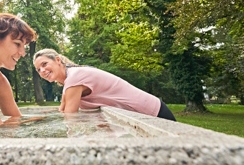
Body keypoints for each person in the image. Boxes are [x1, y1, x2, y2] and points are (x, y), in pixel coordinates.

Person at [33, 48, 176, 121]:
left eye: (45, 64)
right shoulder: (69, 82)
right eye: (38, 69)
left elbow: (70, 119)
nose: (42, 71)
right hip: (144, 115)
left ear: (58, 60)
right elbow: (62, 111)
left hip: (153, 113)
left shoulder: (74, 79)